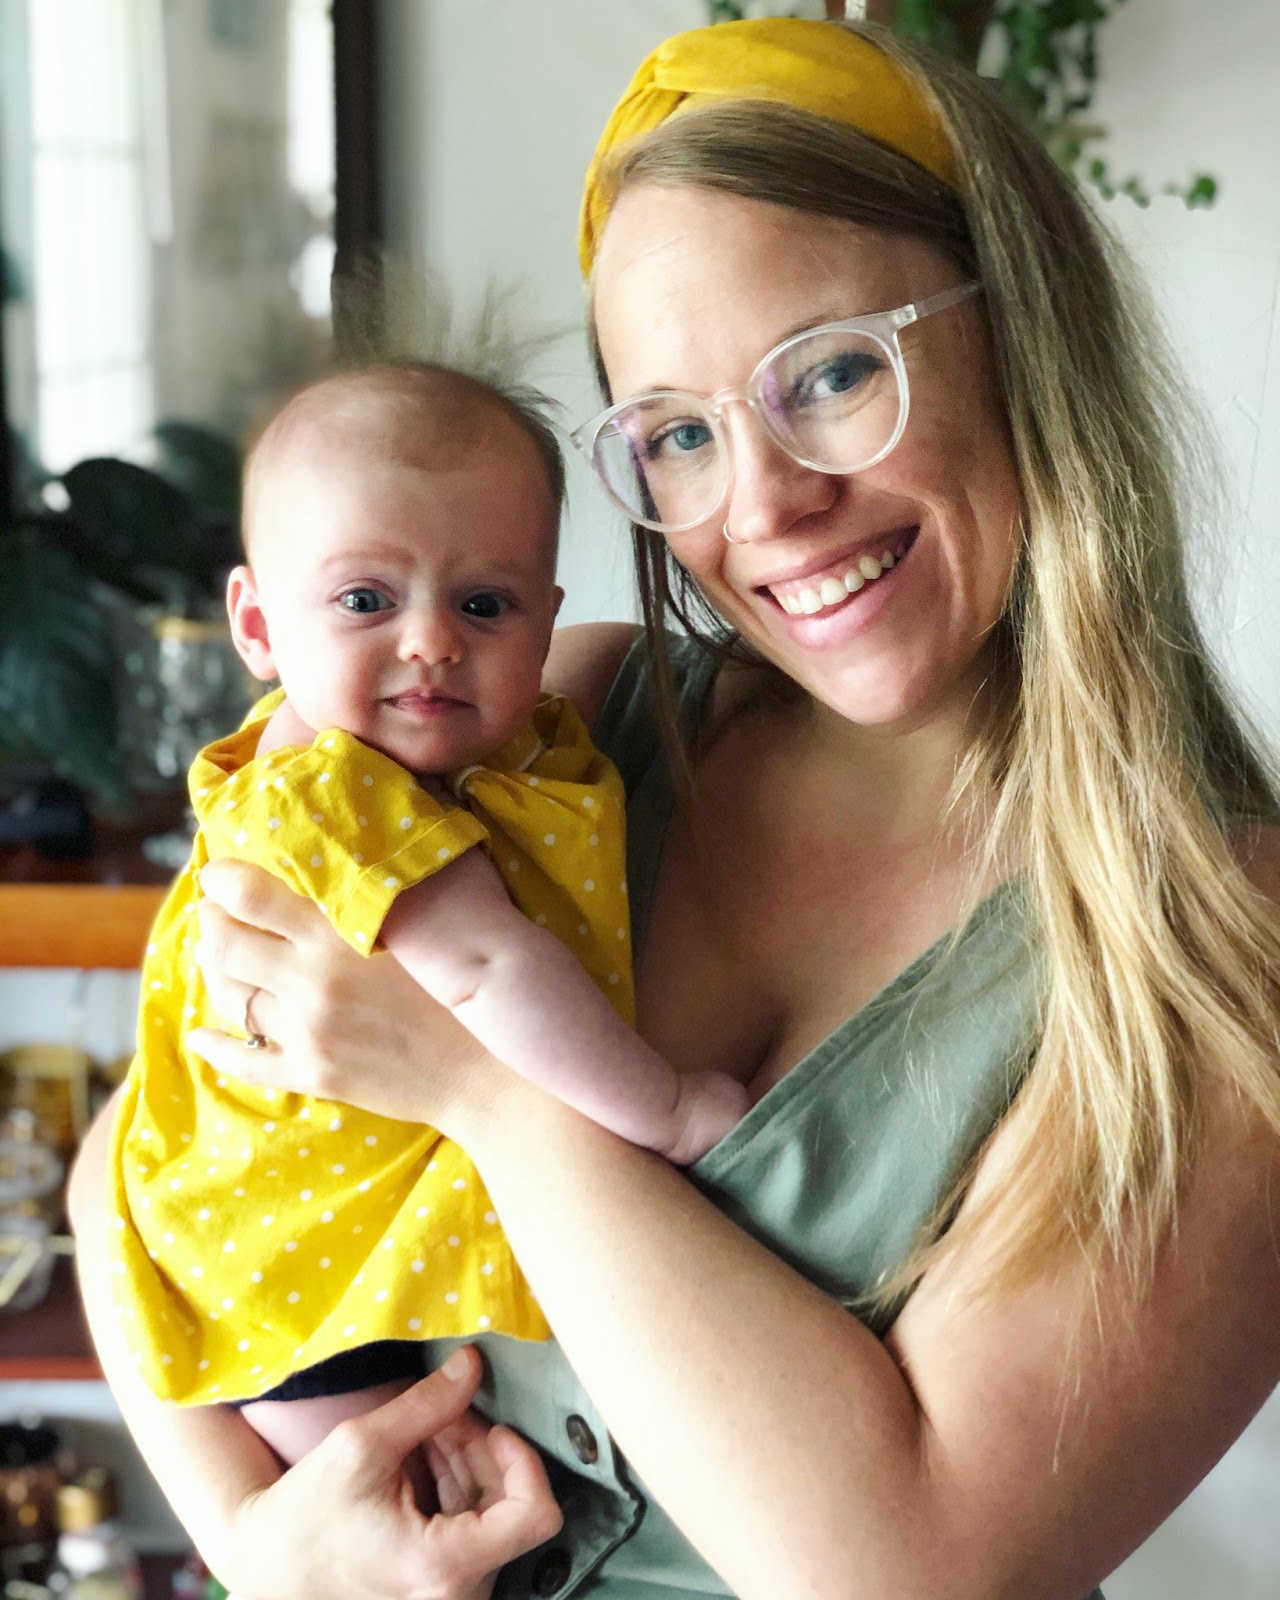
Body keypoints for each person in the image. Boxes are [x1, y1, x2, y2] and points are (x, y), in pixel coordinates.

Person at [69, 15, 1280, 1600]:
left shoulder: (1213, 940)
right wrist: (256, 1540)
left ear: (1022, 334)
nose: (766, 505)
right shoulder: (560, 730)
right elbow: (132, 1163)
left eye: (833, 373)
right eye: (683, 435)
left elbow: (909, 1570)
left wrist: (486, 1092)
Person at [103, 360, 746, 1487]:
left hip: (319, 1234)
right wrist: (668, 1106)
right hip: (294, 1277)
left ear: (546, 620)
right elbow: (489, 968)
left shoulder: (493, 755)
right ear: (256, 624)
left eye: (484, 604)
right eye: (366, 600)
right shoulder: (338, 796)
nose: (432, 643)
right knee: (414, 1513)